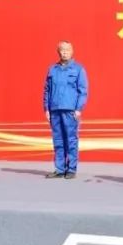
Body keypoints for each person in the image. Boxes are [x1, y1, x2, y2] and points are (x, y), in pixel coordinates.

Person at [43, 41, 89, 180]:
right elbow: (47, 90)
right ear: (58, 52)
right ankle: (59, 169)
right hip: (55, 109)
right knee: (58, 140)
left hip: (70, 110)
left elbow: (83, 91)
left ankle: (71, 169)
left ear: (72, 51)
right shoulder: (52, 69)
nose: (65, 52)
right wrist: (46, 108)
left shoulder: (78, 69)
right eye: (62, 50)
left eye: (67, 50)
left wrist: (78, 109)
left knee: (71, 140)